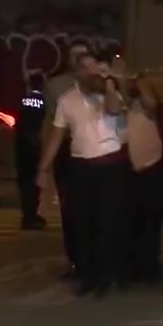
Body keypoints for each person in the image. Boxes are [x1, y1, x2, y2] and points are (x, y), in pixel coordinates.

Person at [36, 49, 129, 297]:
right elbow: (56, 136)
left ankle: (106, 276)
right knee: (83, 223)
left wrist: (109, 84)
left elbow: (114, 109)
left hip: (110, 165)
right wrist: (43, 168)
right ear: (77, 73)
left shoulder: (108, 93)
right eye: (85, 69)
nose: (91, 73)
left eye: (94, 68)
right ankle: (87, 276)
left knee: (106, 223)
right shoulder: (67, 101)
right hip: (81, 166)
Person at [44, 42, 89, 279]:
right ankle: (75, 260)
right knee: (70, 209)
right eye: (75, 56)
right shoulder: (56, 86)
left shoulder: (99, 84)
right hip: (67, 149)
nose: (80, 60)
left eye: (84, 55)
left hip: (94, 152)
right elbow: (53, 124)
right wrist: (44, 165)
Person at [124, 73, 163, 284]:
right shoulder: (120, 104)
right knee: (129, 219)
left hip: (150, 164)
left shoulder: (146, 106)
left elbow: (151, 104)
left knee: (149, 219)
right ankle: (131, 263)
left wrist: (140, 84)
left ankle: (150, 265)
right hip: (125, 167)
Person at [13, 73, 48, 230]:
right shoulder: (41, 101)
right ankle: (30, 216)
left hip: (21, 144)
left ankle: (28, 215)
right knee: (33, 182)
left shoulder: (25, 99)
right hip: (33, 144)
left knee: (24, 181)